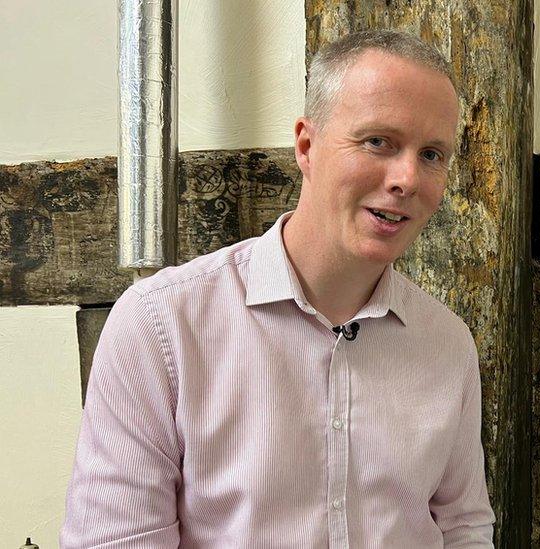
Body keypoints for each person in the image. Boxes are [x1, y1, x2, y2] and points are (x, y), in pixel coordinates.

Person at [61, 29, 495, 548]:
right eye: (378, 141)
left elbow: (463, 528)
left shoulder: (447, 342)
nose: (407, 177)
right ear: (307, 146)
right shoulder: (159, 326)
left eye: (432, 154)